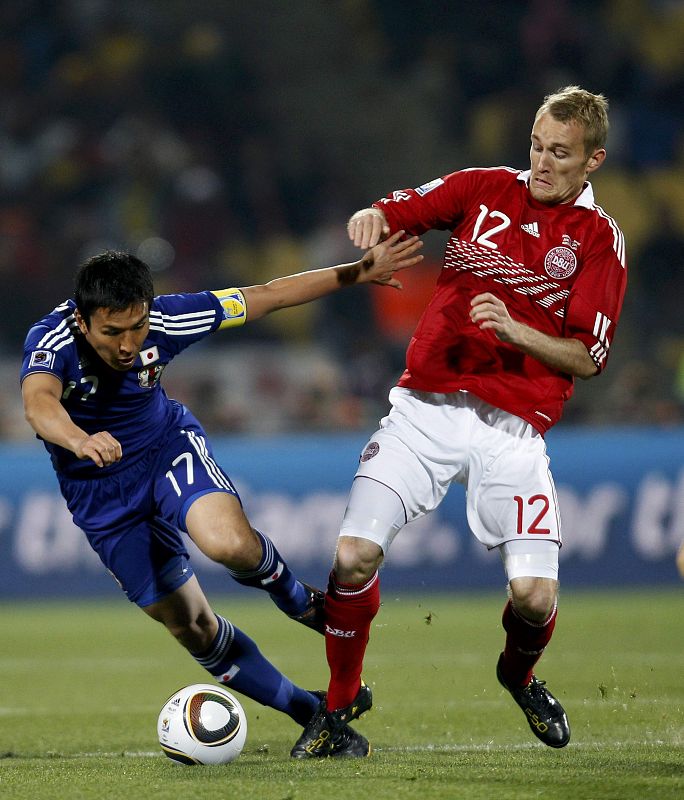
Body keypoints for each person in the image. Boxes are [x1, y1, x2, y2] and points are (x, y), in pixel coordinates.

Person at [292, 86, 627, 758]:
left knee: (533, 599)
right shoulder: (485, 188)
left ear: (592, 160)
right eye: (535, 144)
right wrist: (371, 215)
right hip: (426, 409)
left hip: (513, 430)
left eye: (560, 152)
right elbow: (405, 207)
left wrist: (516, 331)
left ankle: (518, 674)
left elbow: (588, 356)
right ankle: (336, 703)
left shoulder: (599, 240)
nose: (541, 161)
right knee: (353, 556)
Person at [20, 232, 423, 758]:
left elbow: (268, 295)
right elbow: (38, 402)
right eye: (112, 332)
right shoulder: (52, 340)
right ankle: (314, 714)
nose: (128, 345)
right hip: (100, 494)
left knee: (226, 542)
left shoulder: (167, 319)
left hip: (164, 449)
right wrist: (79, 439)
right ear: (82, 319)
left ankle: (301, 603)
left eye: (136, 327)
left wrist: (355, 272)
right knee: (192, 625)